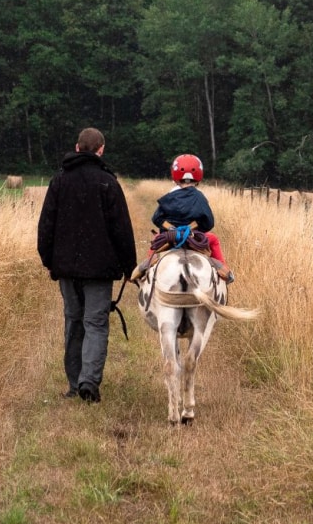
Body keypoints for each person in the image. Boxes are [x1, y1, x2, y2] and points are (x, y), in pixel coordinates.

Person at [36, 127, 137, 404]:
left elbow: (46, 225)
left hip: (66, 268)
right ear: (101, 150)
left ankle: (74, 383)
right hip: (100, 270)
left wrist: (49, 260)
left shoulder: (59, 181)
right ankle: (89, 382)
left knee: (74, 321)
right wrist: (130, 268)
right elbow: (122, 230)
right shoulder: (108, 183)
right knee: (95, 323)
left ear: (77, 147)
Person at [139, 153, 233, 282]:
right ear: (199, 176)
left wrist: (172, 229)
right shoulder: (200, 197)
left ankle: (145, 270)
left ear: (175, 176)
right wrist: (193, 228)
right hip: (194, 239)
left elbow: (156, 218)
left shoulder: (169, 197)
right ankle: (225, 273)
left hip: (170, 239)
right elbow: (209, 223)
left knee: (156, 241)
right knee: (214, 239)